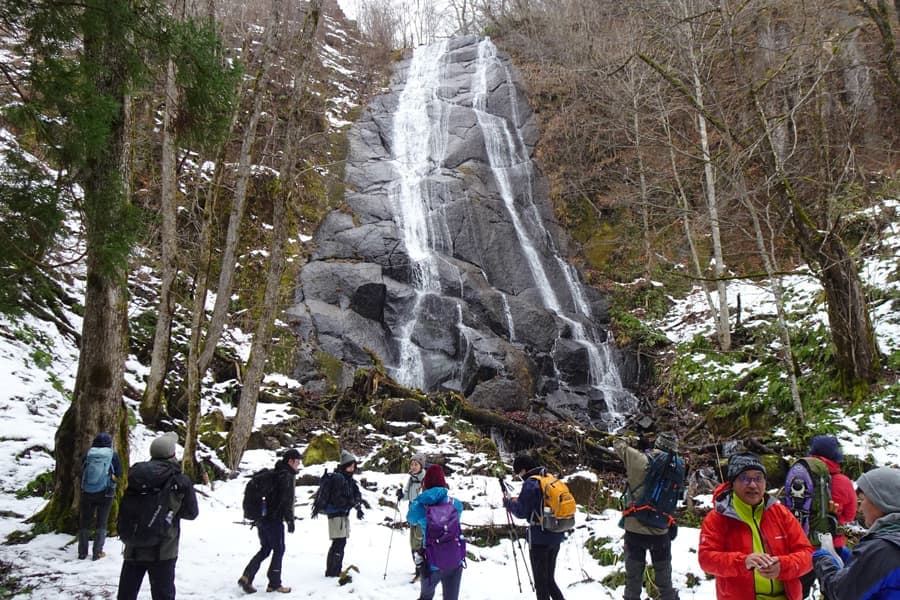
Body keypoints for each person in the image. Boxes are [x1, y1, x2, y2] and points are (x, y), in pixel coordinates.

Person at [699, 452, 813, 600]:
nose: (753, 485)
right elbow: (707, 559)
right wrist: (743, 562)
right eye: (745, 478)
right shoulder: (718, 518)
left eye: (758, 478)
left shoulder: (780, 513)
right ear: (732, 483)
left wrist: (783, 566)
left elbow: (807, 554)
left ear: (765, 483)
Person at [117, 432, 198, 600]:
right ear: (172, 455)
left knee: (126, 593)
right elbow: (191, 513)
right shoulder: (179, 480)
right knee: (163, 594)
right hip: (164, 548)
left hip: (133, 545)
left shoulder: (136, 474)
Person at [613, 432, 682, 600]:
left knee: (633, 580)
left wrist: (636, 440)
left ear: (656, 444)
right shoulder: (678, 466)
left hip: (635, 529)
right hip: (661, 531)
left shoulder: (639, 459)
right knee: (665, 582)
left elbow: (617, 442)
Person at [813, 466, 900, 599]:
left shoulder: (884, 549)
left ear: (881, 502)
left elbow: (841, 593)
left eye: (863, 500)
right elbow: (878, 577)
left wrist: (823, 559)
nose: (860, 509)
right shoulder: (891, 543)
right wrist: (854, 559)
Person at [799, 434, 857, 598]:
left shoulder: (800, 476)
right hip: (833, 544)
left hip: (803, 544)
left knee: (799, 590)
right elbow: (850, 514)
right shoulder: (844, 482)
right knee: (833, 589)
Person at [503, 454, 566, 600]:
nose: (520, 477)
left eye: (519, 473)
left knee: (541, 584)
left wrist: (508, 503)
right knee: (549, 580)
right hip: (556, 534)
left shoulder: (531, 483)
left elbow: (521, 511)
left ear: (524, 470)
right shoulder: (548, 477)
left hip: (539, 539)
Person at [238, 448, 301, 594]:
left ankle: (247, 576)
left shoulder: (275, 473)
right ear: (290, 461)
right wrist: (290, 520)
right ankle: (274, 583)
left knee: (266, 548)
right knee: (279, 549)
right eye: (297, 461)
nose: (298, 465)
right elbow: (286, 500)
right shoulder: (286, 476)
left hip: (261, 518)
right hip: (273, 519)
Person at [407, 464, 465, 600]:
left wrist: (419, 499)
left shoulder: (420, 505)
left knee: (426, 597)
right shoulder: (455, 504)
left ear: (425, 483)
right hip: (454, 559)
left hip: (432, 562)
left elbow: (411, 519)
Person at [312, 449, 364, 577]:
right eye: (350, 466)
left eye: (353, 466)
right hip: (336, 514)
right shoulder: (339, 479)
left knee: (339, 542)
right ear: (345, 466)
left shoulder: (348, 479)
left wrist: (356, 505)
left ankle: (333, 570)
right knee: (339, 543)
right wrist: (351, 503)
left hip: (342, 514)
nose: (352, 469)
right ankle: (333, 571)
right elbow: (338, 499)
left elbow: (356, 494)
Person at [78, 431, 122, 560]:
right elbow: (119, 472)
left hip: (87, 491)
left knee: (85, 520)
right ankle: (97, 552)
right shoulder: (112, 455)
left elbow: (81, 469)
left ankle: (82, 552)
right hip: (106, 492)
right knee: (101, 521)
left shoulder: (89, 454)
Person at [397, 452, 427, 576]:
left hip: (421, 516)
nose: (413, 467)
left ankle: (422, 571)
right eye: (412, 464)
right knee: (412, 542)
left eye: (416, 464)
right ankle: (417, 569)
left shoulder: (424, 480)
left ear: (421, 466)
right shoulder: (411, 479)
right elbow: (408, 495)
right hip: (412, 514)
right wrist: (401, 494)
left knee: (419, 542)